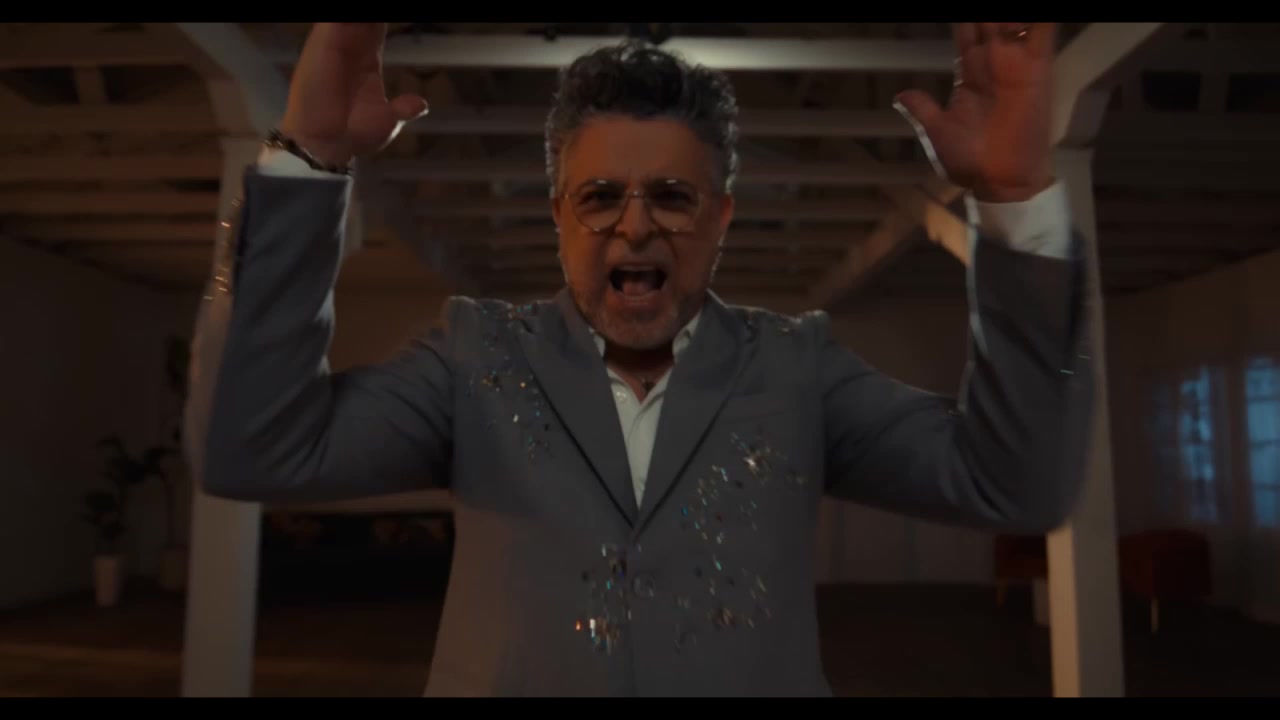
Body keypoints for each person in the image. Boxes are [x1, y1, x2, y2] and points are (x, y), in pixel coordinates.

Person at [187, 22, 1092, 696]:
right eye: (599, 196)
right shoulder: (475, 358)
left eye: (671, 195)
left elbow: (1013, 485)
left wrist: (1016, 201)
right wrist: (307, 159)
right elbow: (251, 451)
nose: (634, 226)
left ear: (721, 218)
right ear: (558, 214)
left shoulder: (798, 369)